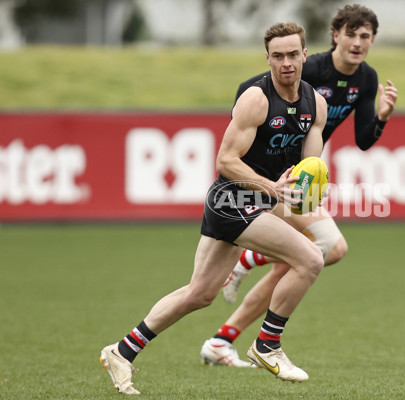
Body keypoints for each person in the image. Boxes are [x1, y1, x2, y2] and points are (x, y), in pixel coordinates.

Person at [99, 21, 328, 393]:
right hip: (233, 201)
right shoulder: (256, 99)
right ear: (267, 58)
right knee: (311, 258)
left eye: (292, 54)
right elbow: (225, 161)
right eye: (277, 55)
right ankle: (267, 345)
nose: (286, 62)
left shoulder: (315, 104)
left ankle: (122, 351)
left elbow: (309, 165)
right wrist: (272, 188)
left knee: (200, 293)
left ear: (305, 55)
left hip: (252, 203)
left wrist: (308, 186)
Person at [200, 4, 398, 368]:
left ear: (372, 41)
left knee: (312, 257)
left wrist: (382, 117)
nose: (357, 42)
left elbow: (364, 139)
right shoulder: (311, 67)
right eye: (350, 34)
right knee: (322, 250)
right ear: (335, 35)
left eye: (365, 36)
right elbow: (255, 90)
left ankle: (223, 335)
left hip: (300, 176)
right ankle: (239, 297)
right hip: (274, 178)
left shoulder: (366, 79)